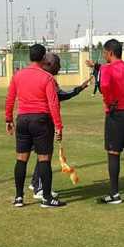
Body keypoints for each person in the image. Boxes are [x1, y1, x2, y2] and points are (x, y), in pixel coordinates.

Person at [5, 44, 64, 208]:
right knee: (44, 159)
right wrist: (59, 126)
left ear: (29, 57)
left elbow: (10, 98)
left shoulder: (18, 75)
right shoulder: (47, 78)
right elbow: (53, 104)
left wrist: (8, 119)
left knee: (21, 159)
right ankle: (46, 198)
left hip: (22, 119)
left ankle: (18, 197)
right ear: (44, 58)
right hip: (41, 120)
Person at [28, 52, 91, 199]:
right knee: (44, 154)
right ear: (49, 64)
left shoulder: (35, 75)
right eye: (58, 64)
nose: (60, 67)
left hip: (28, 119)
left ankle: (34, 182)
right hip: (42, 120)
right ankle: (40, 189)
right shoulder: (47, 79)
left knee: (39, 153)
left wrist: (79, 88)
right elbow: (59, 97)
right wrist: (78, 89)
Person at [86, 39, 124, 204]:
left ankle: (115, 194)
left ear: (109, 52)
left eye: (104, 52)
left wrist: (110, 103)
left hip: (116, 114)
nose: (104, 55)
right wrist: (96, 66)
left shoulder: (108, 69)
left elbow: (105, 86)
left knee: (113, 153)